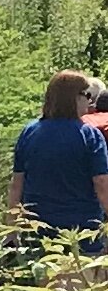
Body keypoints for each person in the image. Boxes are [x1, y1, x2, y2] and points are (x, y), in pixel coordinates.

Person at [9, 70, 108, 253]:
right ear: (73, 98)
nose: (90, 101)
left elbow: (17, 185)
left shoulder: (30, 132)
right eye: (86, 95)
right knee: (84, 280)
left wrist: (11, 231)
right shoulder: (89, 135)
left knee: (48, 279)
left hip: (38, 231)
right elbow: (102, 184)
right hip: (82, 232)